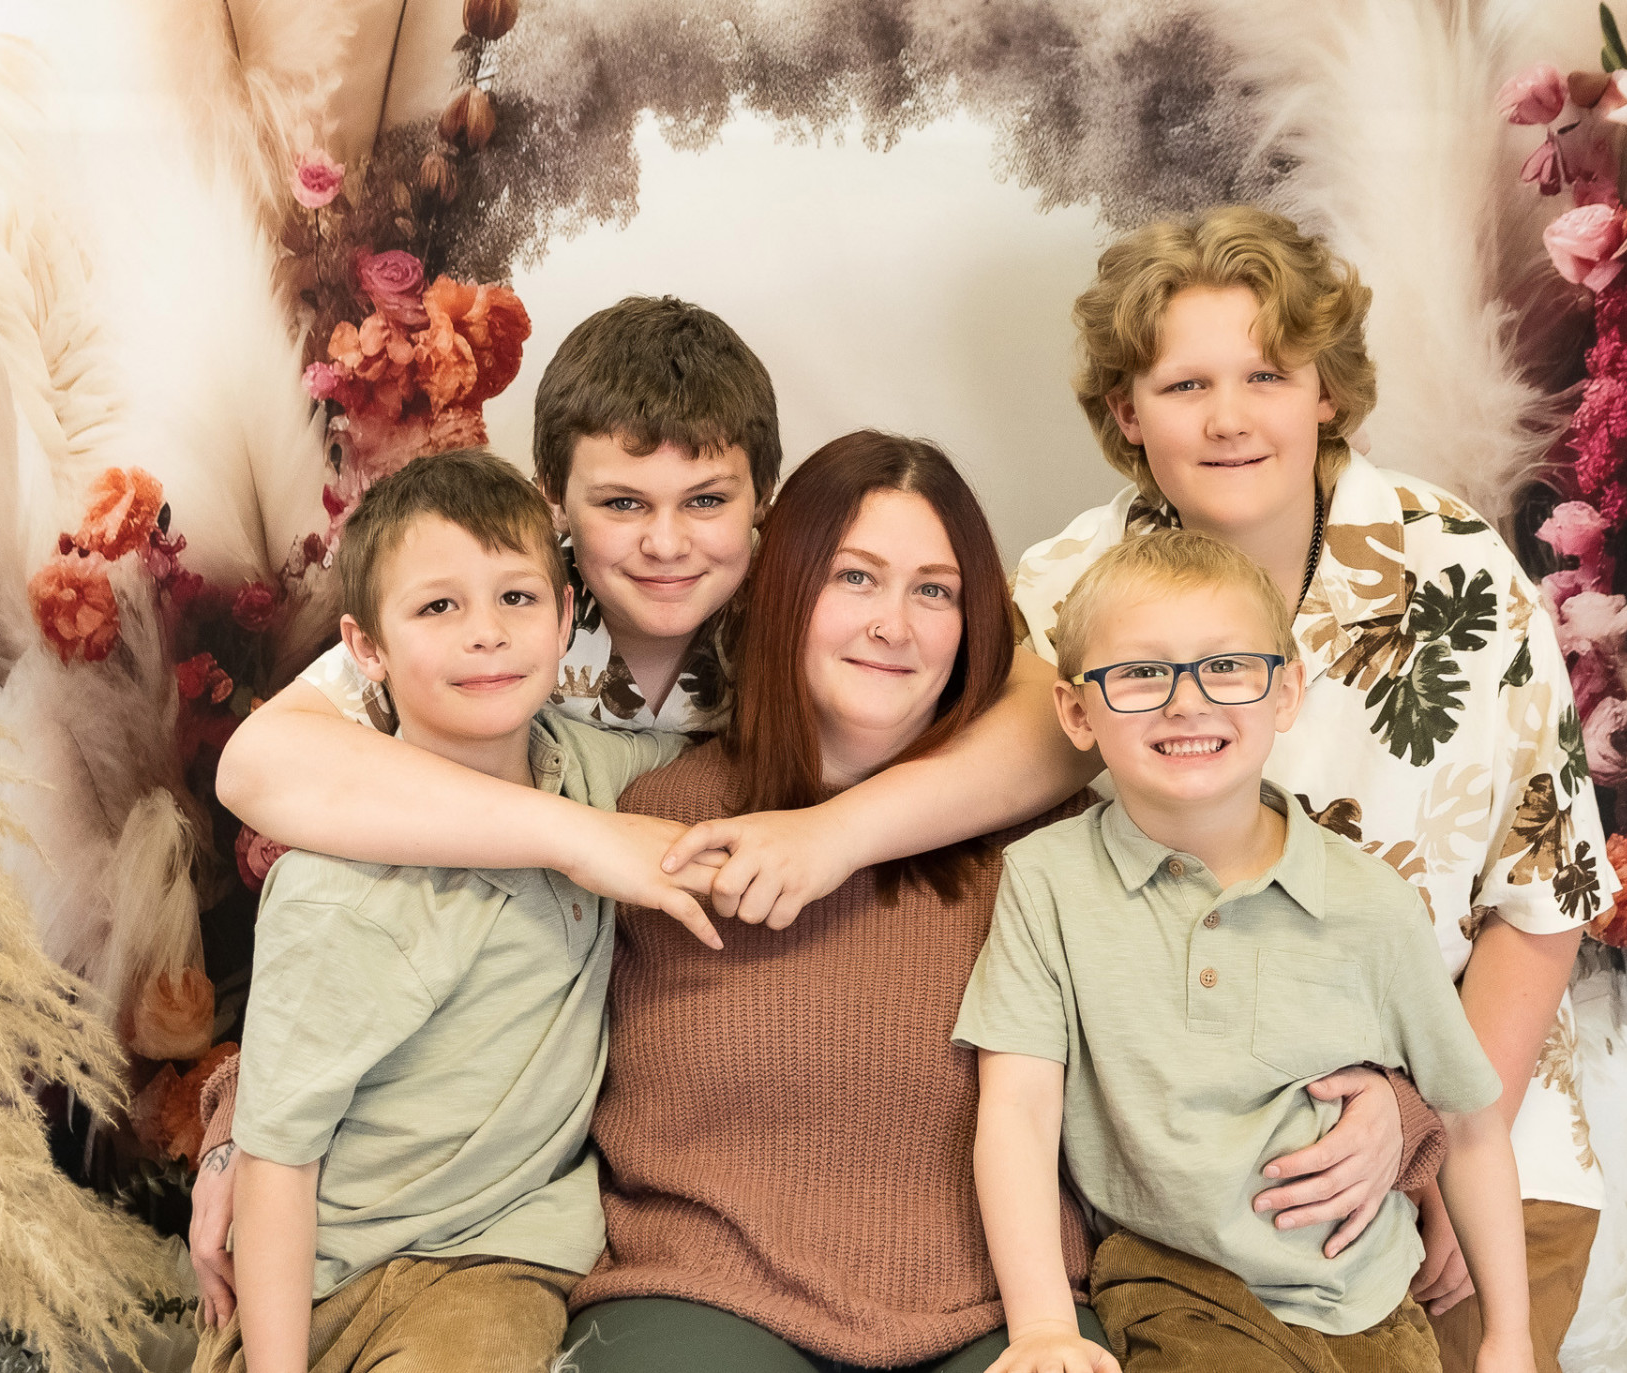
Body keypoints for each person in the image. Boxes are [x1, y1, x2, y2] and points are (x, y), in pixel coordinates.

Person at [196, 294, 1433, 1321]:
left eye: (708, 501)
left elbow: (1050, 728)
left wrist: (837, 834)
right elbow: (263, 771)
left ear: (767, 503)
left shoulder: (808, 617)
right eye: (621, 503)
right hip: (491, 1139)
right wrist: (591, 839)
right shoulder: (498, 619)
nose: (666, 544)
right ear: (554, 498)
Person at [1011, 205, 1615, 1373]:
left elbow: (1545, 901)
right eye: (1185, 385)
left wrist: (1434, 1134)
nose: (1229, 417)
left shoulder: (1458, 570)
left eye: (1267, 375)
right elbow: (1016, 782)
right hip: (1191, 1185)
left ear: (1326, 392)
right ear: (1127, 412)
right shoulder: (1070, 581)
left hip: (1477, 1121)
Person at [561, 432, 1108, 1371]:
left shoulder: (1056, 840)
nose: (893, 624)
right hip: (706, 1291)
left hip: (1009, 1309)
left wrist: (1376, 1094)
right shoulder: (651, 820)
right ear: (783, 588)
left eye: (934, 591)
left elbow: (1195, 1025)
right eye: (856, 578)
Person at [957, 530, 1532, 1373]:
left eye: (1226, 666)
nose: (1186, 702)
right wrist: (1044, 1324)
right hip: (1181, 1285)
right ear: (1078, 712)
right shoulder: (1047, 882)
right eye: (1141, 672)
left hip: (1368, 1296)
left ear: (1286, 690)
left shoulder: (1370, 903)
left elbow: (1470, 1127)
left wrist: (1508, 1339)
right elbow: (1017, 1112)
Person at [194, 449, 705, 1373]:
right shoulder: (339, 893)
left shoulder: (594, 773)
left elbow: (747, 786)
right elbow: (278, 1161)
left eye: (516, 597)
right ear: (366, 649)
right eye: (438, 607)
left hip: (491, 1259)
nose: (487, 634)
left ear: (565, 618)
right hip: (316, 1266)